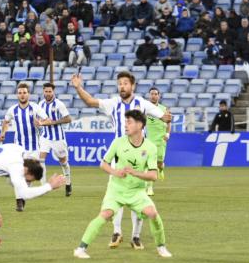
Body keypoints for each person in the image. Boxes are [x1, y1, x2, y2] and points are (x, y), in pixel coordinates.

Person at [71, 71, 170, 248]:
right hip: (119, 157)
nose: (122, 86)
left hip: (140, 158)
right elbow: (90, 101)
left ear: (133, 86)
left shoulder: (142, 103)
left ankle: (136, 236)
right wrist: (78, 87)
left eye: (125, 83)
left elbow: (161, 114)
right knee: (117, 195)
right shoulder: (113, 103)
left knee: (138, 196)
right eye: (119, 83)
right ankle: (117, 232)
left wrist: (165, 118)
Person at [0, 83, 50, 212]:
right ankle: (19, 201)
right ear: (17, 95)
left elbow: (48, 120)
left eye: (24, 92)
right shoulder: (12, 110)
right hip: (18, 149)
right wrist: (3, 133)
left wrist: (41, 123)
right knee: (19, 175)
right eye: (20, 93)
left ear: (28, 94)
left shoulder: (35, 108)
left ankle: (22, 197)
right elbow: (5, 122)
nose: (22, 95)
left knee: (27, 176)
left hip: (33, 148)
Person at [38, 83, 73, 196]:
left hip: (58, 138)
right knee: (41, 159)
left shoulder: (59, 104)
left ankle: (68, 183)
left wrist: (53, 122)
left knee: (63, 162)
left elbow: (68, 119)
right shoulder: (41, 104)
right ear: (43, 92)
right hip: (45, 137)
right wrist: (39, 123)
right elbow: (39, 119)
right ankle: (43, 187)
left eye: (50, 91)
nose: (48, 93)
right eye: (46, 91)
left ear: (53, 92)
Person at [145, 88, 170, 198]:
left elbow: (169, 122)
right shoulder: (145, 108)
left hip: (161, 140)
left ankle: (161, 168)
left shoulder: (164, 109)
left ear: (159, 96)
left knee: (159, 162)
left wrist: (168, 134)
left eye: (156, 94)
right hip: (149, 140)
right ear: (149, 95)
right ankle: (149, 187)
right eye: (152, 94)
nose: (154, 96)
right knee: (151, 163)